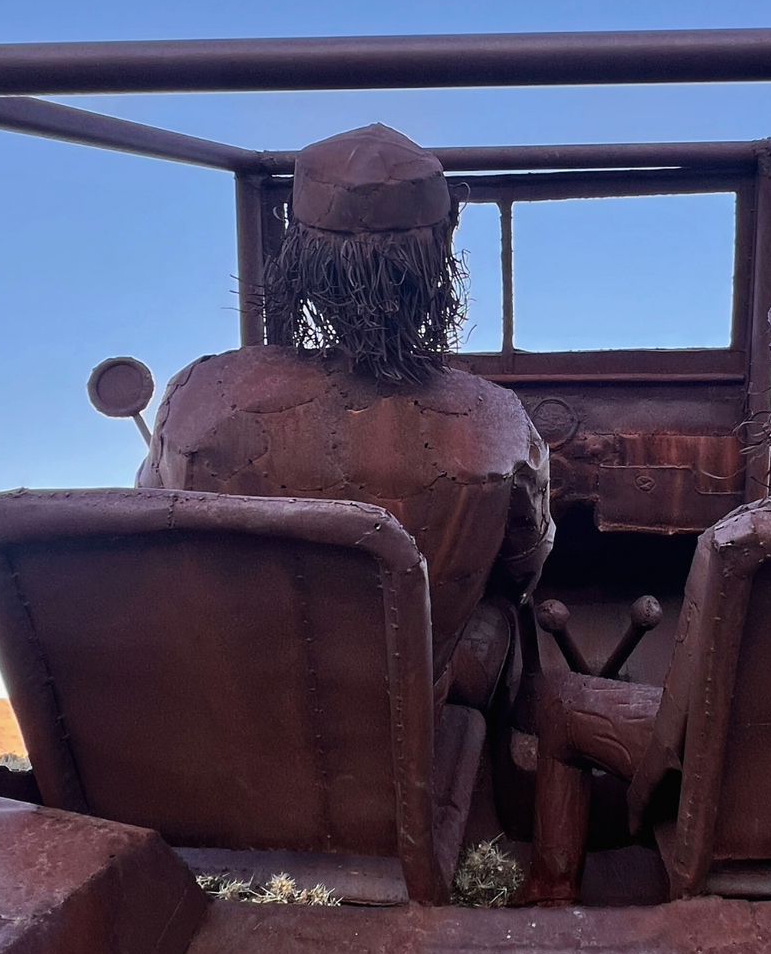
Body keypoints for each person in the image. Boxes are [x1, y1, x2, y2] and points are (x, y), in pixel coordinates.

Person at [137, 124, 553, 708]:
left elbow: (157, 531)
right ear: (438, 260)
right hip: (407, 710)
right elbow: (521, 570)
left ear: (297, 252)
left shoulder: (201, 393)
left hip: (235, 701)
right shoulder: (498, 423)